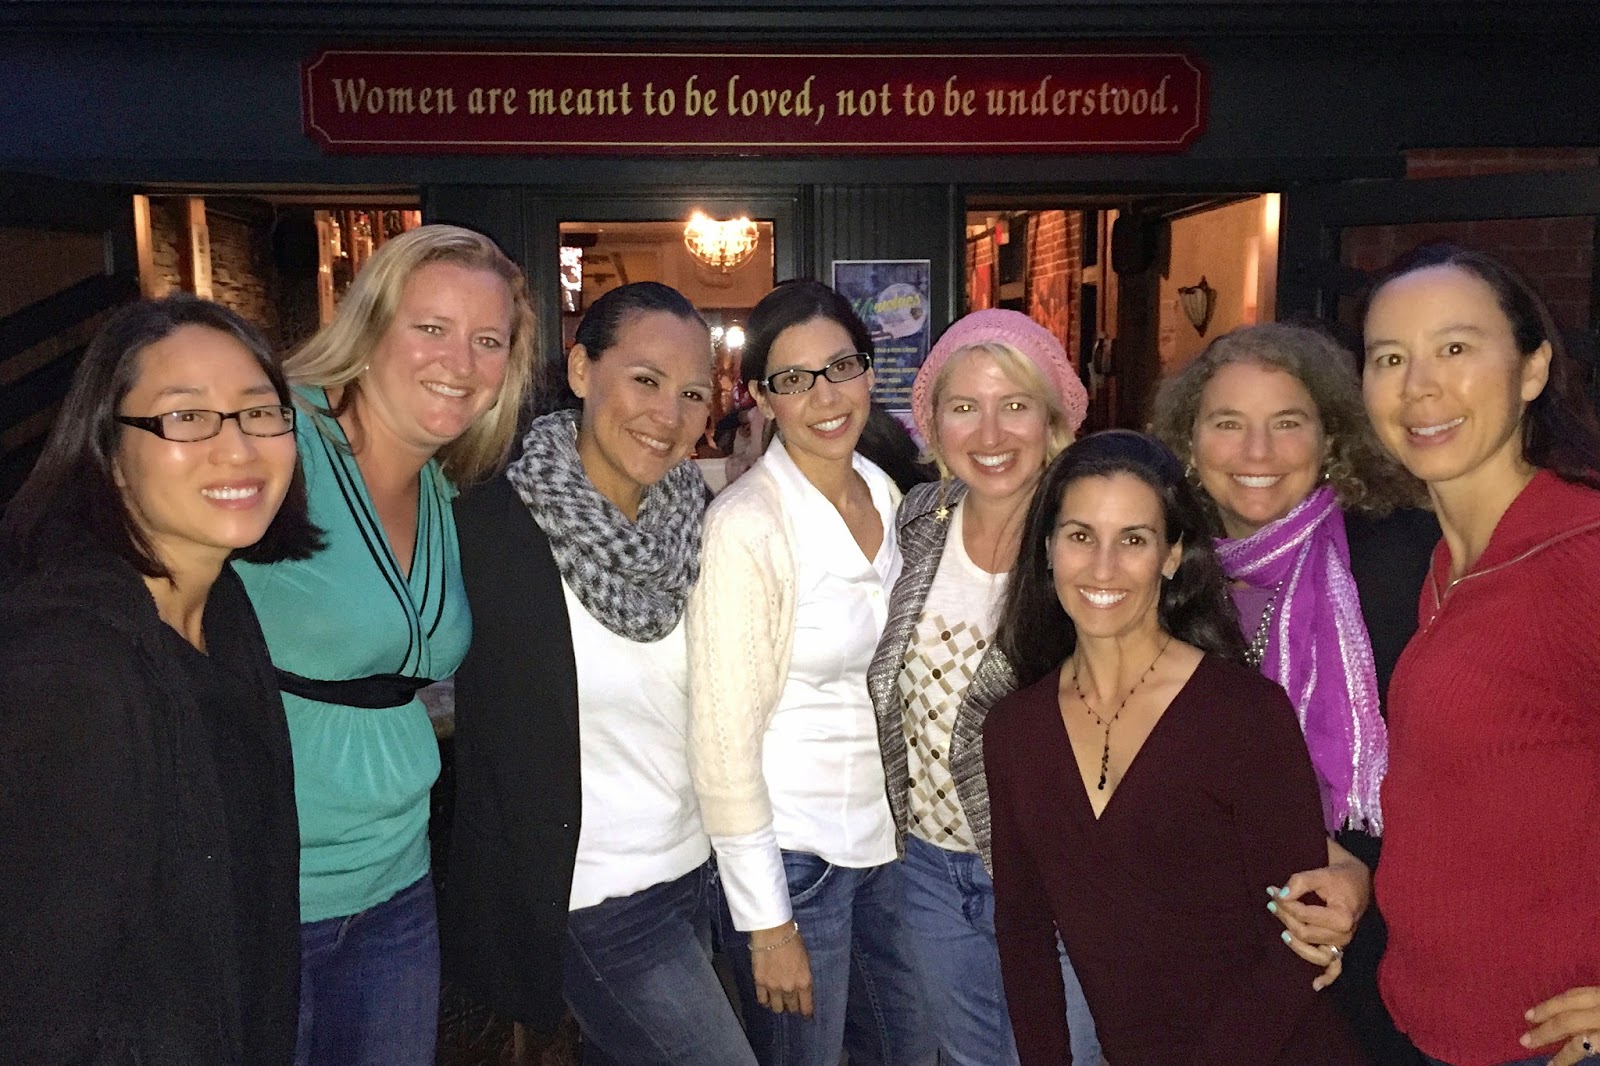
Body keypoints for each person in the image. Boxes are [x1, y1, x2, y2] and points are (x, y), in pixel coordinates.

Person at [234, 224, 537, 1066]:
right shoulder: (277, 442)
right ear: (368, 327)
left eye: (488, 341)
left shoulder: (441, 484)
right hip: (261, 893)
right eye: (431, 328)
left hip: (397, 883)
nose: (460, 362)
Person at [442, 281, 756, 1064]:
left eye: (693, 394)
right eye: (645, 380)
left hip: (696, 872)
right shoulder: (488, 528)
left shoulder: (703, 525)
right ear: (582, 370)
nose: (669, 415)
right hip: (592, 896)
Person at [0, 295, 320, 1064]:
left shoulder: (222, 603)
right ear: (109, 453)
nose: (237, 448)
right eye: (186, 417)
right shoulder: (69, 668)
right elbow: (39, 1003)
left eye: (259, 413)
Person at [984, 430, 1366, 1066]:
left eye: (1133, 540)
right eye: (1080, 536)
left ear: (1172, 555)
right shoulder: (1014, 730)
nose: (1103, 567)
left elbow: (1300, 938)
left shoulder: (1241, 713)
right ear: (1047, 548)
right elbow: (1023, 935)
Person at [1151, 322, 1436, 1065]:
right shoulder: (1161, 572)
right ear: (1189, 442)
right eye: (1227, 423)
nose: (1257, 452)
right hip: (1212, 935)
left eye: (1286, 423)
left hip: (1378, 933)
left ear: (1330, 439)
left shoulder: (1403, 558)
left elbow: (1453, 766)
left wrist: (1360, 868)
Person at [1361, 243, 1600, 1066]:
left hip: (1547, 1043)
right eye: (1390, 357)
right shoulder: (1445, 561)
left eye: (1455, 348)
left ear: (1533, 369)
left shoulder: (1580, 555)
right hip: (1437, 1025)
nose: (1418, 386)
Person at [688, 279, 934, 1065]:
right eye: (794, 379)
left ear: (868, 369)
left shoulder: (889, 494)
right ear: (761, 396)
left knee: (908, 1049)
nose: (825, 396)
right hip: (795, 859)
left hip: (888, 846)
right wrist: (767, 924)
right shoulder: (747, 527)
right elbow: (722, 743)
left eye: (841, 367)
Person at [866, 308, 1101, 1066]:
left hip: (1058, 879)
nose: (990, 433)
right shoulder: (917, 521)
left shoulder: (1089, 537)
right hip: (930, 869)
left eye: (1016, 405)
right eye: (965, 406)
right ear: (933, 423)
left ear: (1054, 419)